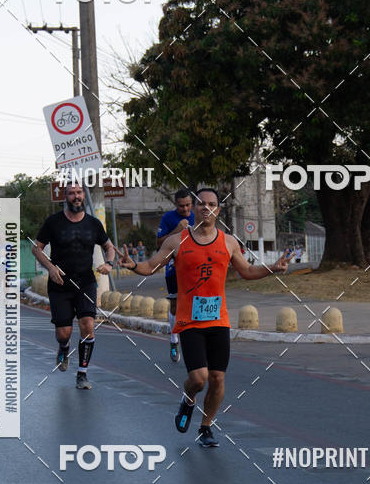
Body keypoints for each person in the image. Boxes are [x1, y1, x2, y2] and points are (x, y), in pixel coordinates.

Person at [117, 188, 291, 447]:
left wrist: (272, 268)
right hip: (189, 322)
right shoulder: (176, 241)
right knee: (199, 378)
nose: (205, 208)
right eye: (201, 204)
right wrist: (133, 266)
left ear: (218, 211)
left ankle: (206, 427)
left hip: (218, 320)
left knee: (218, 378)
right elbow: (151, 266)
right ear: (194, 208)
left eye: (211, 204)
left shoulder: (229, 242)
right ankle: (188, 399)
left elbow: (246, 271)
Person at [32, 182, 116, 390]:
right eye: (72, 193)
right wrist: (51, 268)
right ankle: (63, 346)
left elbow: (109, 247)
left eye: (79, 192)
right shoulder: (54, 222)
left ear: (83, 196)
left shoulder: (93, 224)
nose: (76, 196)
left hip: (86, 283)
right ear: (66, 196)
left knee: (88, 325)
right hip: (60, 284)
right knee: (64, 332)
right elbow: (37, 249)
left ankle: (82, 374)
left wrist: (109, 263)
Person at [156, 189, 194, 363]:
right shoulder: (168, 218)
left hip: (194, 267)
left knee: (196, 303)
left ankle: (196, 342)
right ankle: (173, 340)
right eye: (181, 206)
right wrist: (177, 229)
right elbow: (159, 244)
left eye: (188, 205)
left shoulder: (199, 216)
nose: (185, 209)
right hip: (173, 267)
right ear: (175, 204)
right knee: (174, 306)